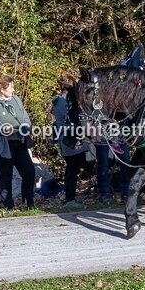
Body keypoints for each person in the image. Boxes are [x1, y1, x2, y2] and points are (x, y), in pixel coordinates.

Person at [0, 74, 36, 209]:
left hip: (19, 143)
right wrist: (4, 129)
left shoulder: (16, 100)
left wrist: (23, 128)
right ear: (1, 89)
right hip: (3, 146)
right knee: (6, 176)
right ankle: (8, 205)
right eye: (10, 87)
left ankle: (28, 202)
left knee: (29, 172)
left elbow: (25, 118)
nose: (13, 90)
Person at [51, 71, 92, 210]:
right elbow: (67, 120)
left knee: (74, 168)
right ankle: (70, 198)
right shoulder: (64, 101)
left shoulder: (61, 100)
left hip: (71, 138)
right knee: (72, 169)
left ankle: (72, 196)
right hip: (70, 139)